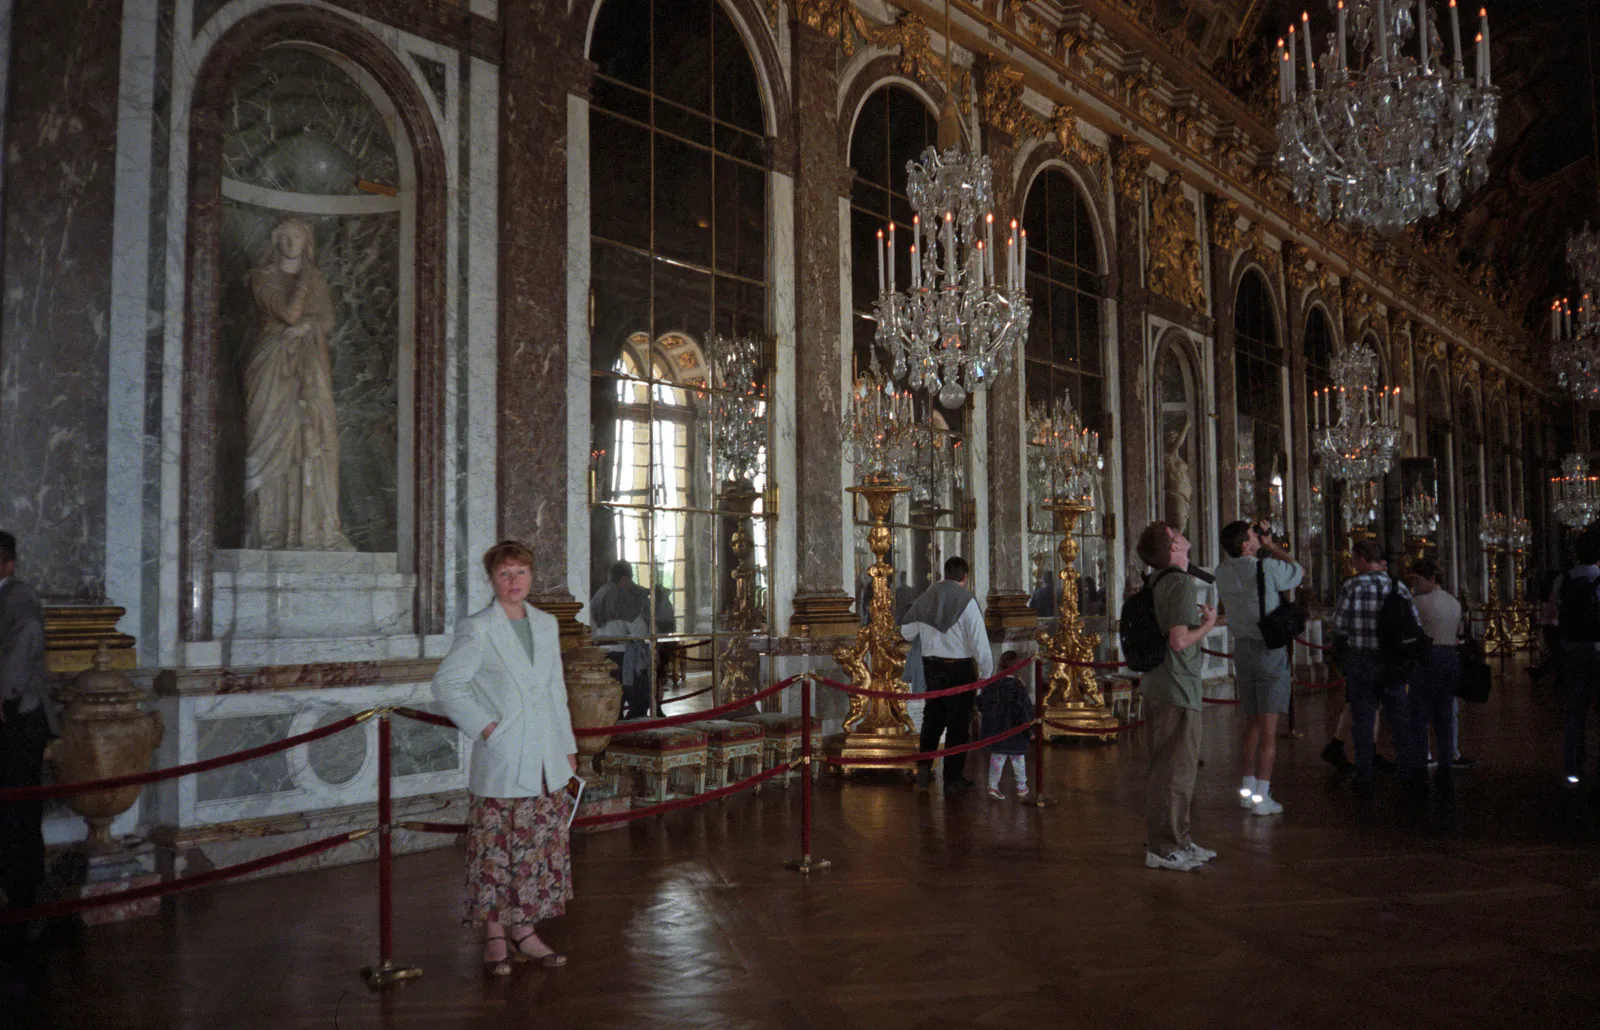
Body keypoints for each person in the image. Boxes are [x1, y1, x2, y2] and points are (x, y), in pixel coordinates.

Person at [433, 540, 578, 977]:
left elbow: (555, 690)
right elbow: (446, 686)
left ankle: (526, 932)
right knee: (496, 851)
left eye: (520, 572)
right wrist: (487, 728)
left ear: (531, 577)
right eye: (504, 574)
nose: (513, 581)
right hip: (503, 754)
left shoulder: (547, 625)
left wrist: (567, 745)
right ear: (492, 579)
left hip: (546, 755)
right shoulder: (479, 628)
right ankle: (495, 934)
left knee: (535, 850)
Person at [1135, 521, 1218, 872]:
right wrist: (1210, 624)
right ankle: (1165, 846)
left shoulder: (1160, 580)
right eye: (1175, 534)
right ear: (1172, 548)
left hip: (1163, 684)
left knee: (1175, 769)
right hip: (1176, 687)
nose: (1182, 534)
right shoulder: (1181, 583)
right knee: (1175, 771)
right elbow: (1179, 640)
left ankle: (1179, 839)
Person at [1215, 519, 1304, 816]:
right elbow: (1298, 571)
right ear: (1245, 544)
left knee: (1250, 722)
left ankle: (1246, 790)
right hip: (1269, 649)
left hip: (1242, 649)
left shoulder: (1222, 571)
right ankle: (1262, 796)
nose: (1258, 537)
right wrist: (1272, 546)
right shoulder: (1266, 567)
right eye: (1254, 535)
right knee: (1268, 728)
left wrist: (1259, 545)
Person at [1330, 539, 1421, 788]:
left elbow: (1338, 625)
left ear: (1361, 558)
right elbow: (1414, 623)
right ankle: (1407, 769)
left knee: (1364, 719)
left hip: (1362, 661)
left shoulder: (1351, 586)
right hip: (1392, 662)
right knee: (1399, 718)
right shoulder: (1397, 586)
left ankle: (1364, 773)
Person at [0, 531, 51, 974]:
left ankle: (25, 907)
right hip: (12, 716)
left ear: (8, 564)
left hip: (18, 720)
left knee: (18, 813)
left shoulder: (19, 598)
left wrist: (5, 697)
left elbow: (22, 646)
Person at [901, 556, 994, 795]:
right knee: (958, 725)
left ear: (945, 573)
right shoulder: (967, 600)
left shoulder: (927, 597)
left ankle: (923, 770)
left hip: (932, 668)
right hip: (960, 669)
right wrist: (986, 671)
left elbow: (906, 632)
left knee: (932, 721)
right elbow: (978, 639)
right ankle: (952, 779)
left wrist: (927, 630)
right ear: (965, 577)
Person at [1405, 558, 1462, 787]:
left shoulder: (1418, 602)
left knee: (1419, 712)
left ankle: (1420, 761)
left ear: (1430, 579)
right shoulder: (1453, 601)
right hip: (1450, 656)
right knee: (1445, 712)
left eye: (1418, 580)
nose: (1416, 585)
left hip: (1428, 656)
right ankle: (1446, 760)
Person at [1556, 529, 1600, 789]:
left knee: (1575, 712)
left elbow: (1554, 608)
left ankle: (1572, 768)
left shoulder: (1564, 579)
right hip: (1597, 648)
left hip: (1571, 649)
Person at [589, 560, 652, 720]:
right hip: (625, 658)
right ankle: (632, 738)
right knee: (639, 701)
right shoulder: (623, 597)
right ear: (624, 578)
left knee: (613, 704)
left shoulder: (600, 594)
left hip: (602, 656)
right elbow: (639, 631)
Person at [977, 650, 1032, 801]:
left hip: (997, 731)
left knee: (997, 760)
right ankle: (1021, 787)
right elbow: (1025, 709)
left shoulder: (992, 684)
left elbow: (981, 703)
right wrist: (1030, 730)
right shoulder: (1019, 687)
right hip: (1016, 731)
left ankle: (993, 786)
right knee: (1018, 761)